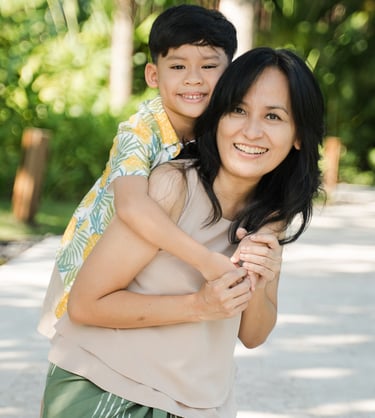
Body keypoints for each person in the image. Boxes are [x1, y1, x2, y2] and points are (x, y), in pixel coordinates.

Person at [40, 47, 325, 418]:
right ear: (217, 116)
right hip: (108, 389)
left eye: (273, 116)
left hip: (201, 404)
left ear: (299, 135)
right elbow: (85, 305)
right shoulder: (173, 187)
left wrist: (261, 275)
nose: (251, 131)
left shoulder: (272, 214)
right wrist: (199, 306)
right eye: (237, 110)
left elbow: (254, 335)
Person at [38, 4, 248, 338]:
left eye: (209, 66)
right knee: (83, 348)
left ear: (230, 73)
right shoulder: (138, 133)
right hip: (93, 264)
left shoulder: (222, 129)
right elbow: (132, 206)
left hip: (146, 267)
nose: (194, 78)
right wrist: (205, 261)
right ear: (153, 75)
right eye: (178, 66)